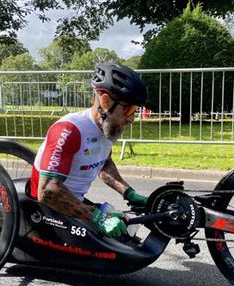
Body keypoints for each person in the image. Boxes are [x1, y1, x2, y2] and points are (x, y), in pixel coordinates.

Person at [29, 63, 149, 238]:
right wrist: (97, 218)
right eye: (129, 109)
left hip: (74, 202)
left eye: (136, 110)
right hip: (47, 210)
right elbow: (47, 191)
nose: (132, 119)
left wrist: (128, 193)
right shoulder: (69, 130)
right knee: (110, 258)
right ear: (106, 101)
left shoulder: (106, 128)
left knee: (129, 231)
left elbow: (104, 164)